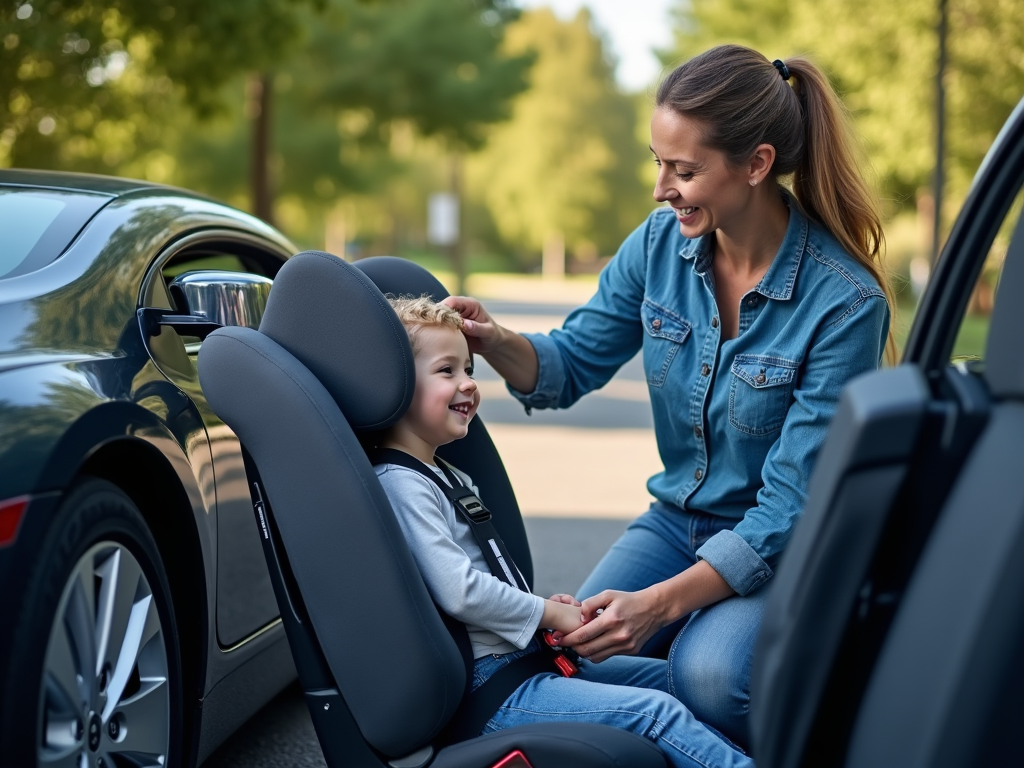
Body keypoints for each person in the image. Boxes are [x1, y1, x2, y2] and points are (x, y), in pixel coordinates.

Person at [443, 44, 893, 749]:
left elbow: (788, 508)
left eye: (684, 171)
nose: (661, 188)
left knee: (712, 674)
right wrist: (493, 338)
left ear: (756, 164)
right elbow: (568, 365)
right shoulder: (658, 246)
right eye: (658, 162)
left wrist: (655, 609)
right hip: (673, 525)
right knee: (573, 652)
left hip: (782, 548)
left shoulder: (844, 302)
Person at [373, 296, 753, 768]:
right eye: (447, 371)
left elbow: (484, 576)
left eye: (469, 368)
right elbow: (460, 591)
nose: (469, 383)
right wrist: (548, 614)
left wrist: (547, 613)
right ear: (395, 382)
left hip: (519, 660)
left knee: (674, 683)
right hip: (492, 689)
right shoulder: (402, 484)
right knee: (657, 711)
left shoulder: (444, 475)